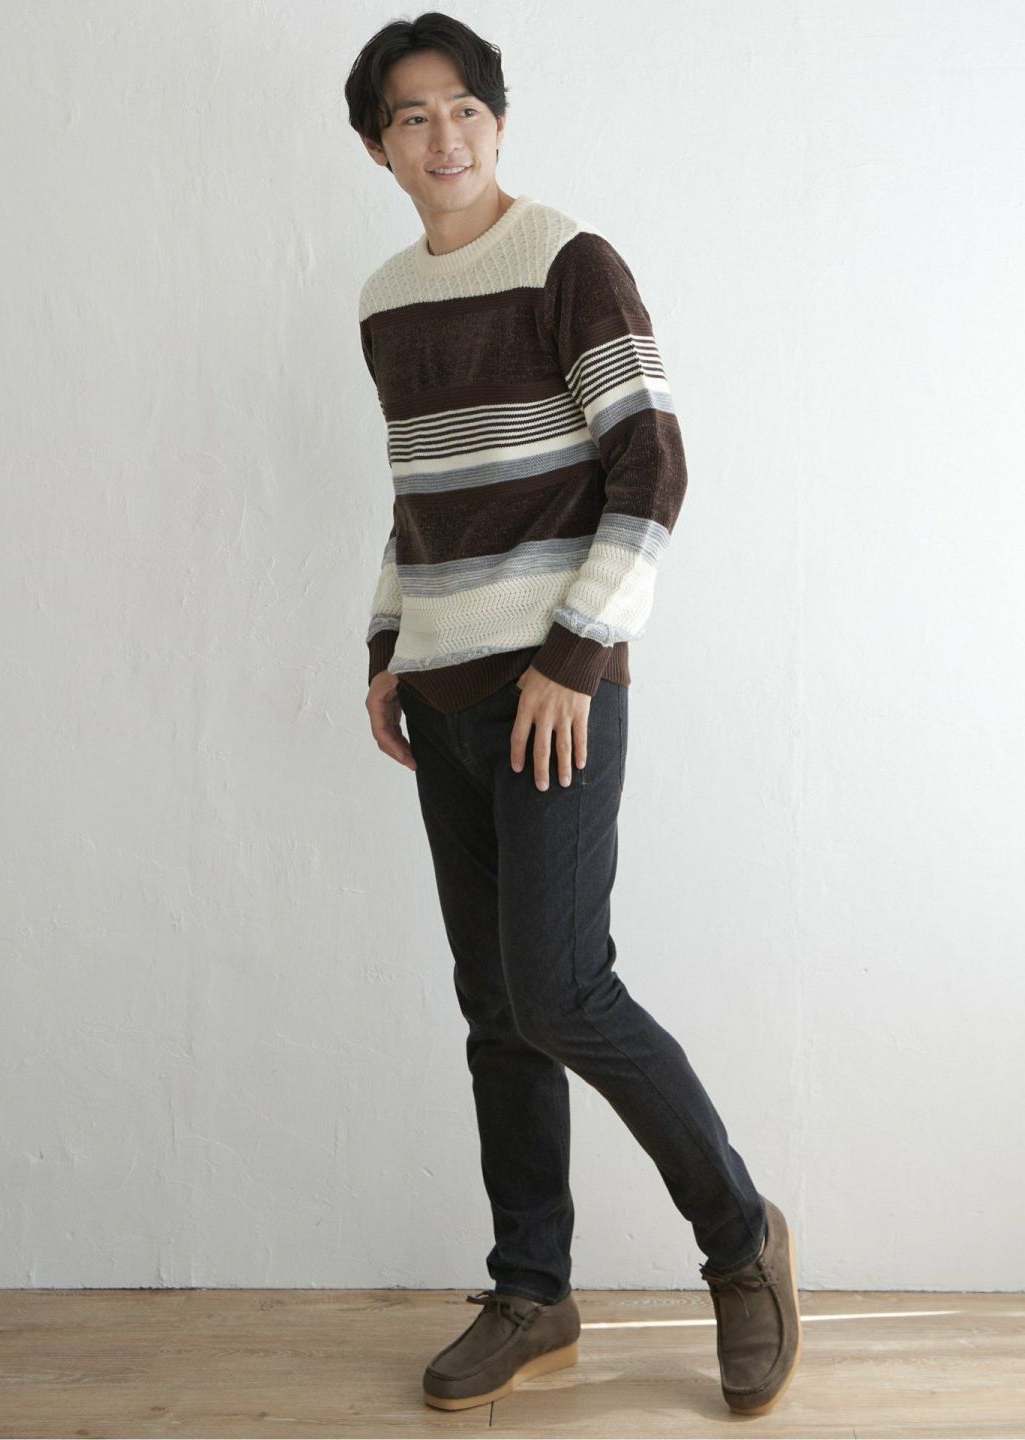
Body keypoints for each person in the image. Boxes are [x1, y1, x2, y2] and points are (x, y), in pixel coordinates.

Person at [345, 10, 801, 1416]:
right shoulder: (383, 299)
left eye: (466, 108)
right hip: (444, 696)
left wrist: (574, 655)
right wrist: (387, 642)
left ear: (498, 121)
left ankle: (742, 1240)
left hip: (556, 692)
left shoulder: (567, 262)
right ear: (377, 145)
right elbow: (423, 493)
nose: (445, 136)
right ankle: (533, 1290)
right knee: (497, 1007)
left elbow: (652, 466)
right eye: (413, 116)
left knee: (562, 991)